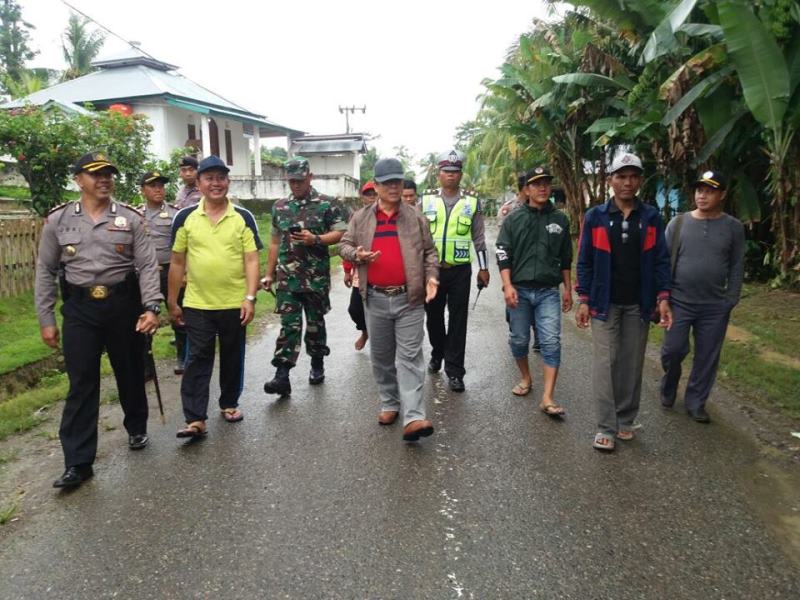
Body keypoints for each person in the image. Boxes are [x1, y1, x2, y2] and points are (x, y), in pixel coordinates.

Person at [34, 151, 162, 488]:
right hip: (79, 309)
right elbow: (45, 271)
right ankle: (78, 462)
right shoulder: (58, 221)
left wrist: (151, 307)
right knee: (81, 383)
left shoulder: (131, 219)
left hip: (123, 305)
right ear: (79, 180)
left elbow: (147, 266)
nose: (104, 179)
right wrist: (46, 318)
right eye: (95, 174)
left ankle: (136, 427)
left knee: (131, 372)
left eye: (108, 174)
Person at [575, 152, 672, 452]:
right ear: (610, 181)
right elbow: (585, 261)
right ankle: (606, 426)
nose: (627, 183)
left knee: (632, 363)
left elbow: (660, 261)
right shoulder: (596, 217)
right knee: (606, 363)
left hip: (639, 304)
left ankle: (626, 419)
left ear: (639, 181)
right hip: (604, 303)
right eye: (621, 176)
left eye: (633, 177)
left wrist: (663, 298)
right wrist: (583, 299)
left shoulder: (651, 216)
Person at [339, 158, 440, 441]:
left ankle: (414, 417)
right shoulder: (360, 218)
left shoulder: (416, 217)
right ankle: (389, 402)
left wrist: (432, 277)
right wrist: (356, 255)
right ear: (377, 185)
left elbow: (430, 253)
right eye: (388, 183)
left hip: (409, 299)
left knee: (409, 357)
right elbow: (343, 245)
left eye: (398, 181)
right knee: (382, 357)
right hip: (375, 298)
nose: (394, 187)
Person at [168, 155, 262, 438]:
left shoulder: (243, 217)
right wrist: (172, 301)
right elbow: (177, 261)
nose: (216, 183)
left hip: (235, 303)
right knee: (197, 358)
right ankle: (195, 418)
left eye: (221, 178)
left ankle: (229, 403)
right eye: (209, 178)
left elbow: (251, 260)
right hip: (197, 303)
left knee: (233, 355)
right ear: (198, 183)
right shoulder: (185, 217)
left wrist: (250, 297)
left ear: (228, 182)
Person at [660, 170, 745, 423]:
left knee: (707, 356)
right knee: (673, 350)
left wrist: (731, 298)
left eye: (709, 191)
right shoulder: (679, 224)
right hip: (679, 302)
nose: (702, 195)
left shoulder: (733, 227)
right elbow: (663, 263)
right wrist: (663, 297)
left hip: (715, 306)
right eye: (699, 190)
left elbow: (737, 265)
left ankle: (696, 402)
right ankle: (669, 385)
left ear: (722, 195)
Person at [261, 157, 348, 395]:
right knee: (289, 326)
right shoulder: (280, 207)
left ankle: (317, 362)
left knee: (315, 324)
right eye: (291, 180)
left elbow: (341, 232)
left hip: (315, 277)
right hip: (287, 278)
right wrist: (268, 274)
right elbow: (275, 241)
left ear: (310, 176)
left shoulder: (328, 204)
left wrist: (315, 239)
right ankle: (282, 375)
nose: (296, 184)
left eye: (300, 179)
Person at [496, 166, 573, 415]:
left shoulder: (560, 220)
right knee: (519, 340)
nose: (542, 188)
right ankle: (526, 377)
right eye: (536, 184)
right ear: (526, 189)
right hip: (519, 290)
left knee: (551, 341)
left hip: (548, 291)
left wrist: (568, 289)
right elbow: (503, 253)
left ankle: (548, 397)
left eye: (546, 183)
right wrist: (507, 286)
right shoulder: (513, 219)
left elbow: (565, 258)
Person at [420, 149, 489, 392]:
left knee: (458, 320)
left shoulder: (471, 201)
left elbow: (479, 237)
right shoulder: (426, 200)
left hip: (460, 270)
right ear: (439, 174)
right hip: (432, 270)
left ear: (461, 175)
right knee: (434, 318)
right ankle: (437, 352)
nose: (451, 175)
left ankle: (455, 371)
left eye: (455, 171)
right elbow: (417, 236)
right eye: (446, 171)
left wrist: (484, 268)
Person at [137, 170, 186, 375]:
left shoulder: (175, 213)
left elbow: (185, 247)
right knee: (145, 317)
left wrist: (184, 273)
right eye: (153, 186)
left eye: (161, 185)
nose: (158, 189)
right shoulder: (135, 215)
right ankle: (146, 366)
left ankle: (183, 357)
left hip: (170, 272)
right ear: (143, 190)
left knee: (178, 313)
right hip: (145, 275)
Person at [343, 181, 377, 350]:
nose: (371, 197)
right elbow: (347, 244)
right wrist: (347, 271)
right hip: (361, 269)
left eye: (374, 193)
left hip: (382, 271)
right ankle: (365, 332)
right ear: (362, 197)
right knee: (355, 309)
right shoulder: (356, 217)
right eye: (368, 194)